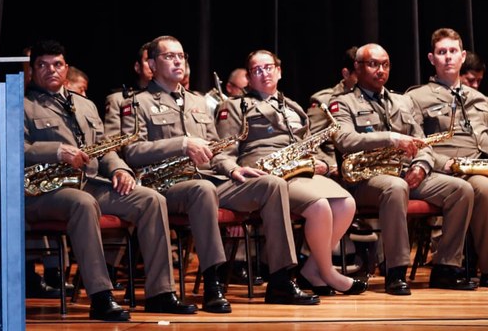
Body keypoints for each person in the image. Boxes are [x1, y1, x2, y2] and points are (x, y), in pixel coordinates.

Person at [120, 36, 318, 308]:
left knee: (271, 184)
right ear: (152, 64)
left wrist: (233, 168)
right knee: (202, 190)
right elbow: (132, 152)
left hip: (208, 179)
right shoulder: (136, 102)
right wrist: (182, 144)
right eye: (169, 56)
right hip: (166, 185)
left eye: (181, 56)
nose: (178, 61)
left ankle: (281, 280)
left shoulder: (197, 102)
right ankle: (213, 282)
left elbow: (216, 150)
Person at [24, 40, 196, 321]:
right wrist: (56, 151)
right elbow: (15, 149)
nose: (51, 70)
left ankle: (160, 293)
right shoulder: (21, 105)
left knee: (151, 199)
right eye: (42, 65)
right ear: (31, 71)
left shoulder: (85, 105)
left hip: (88, 182)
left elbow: (105, 148)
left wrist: (120, 170)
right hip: (44, 190)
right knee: (83, 203)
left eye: (57, 64)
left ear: (66, 68)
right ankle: (101, 296)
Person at [215, 50, 366, 297]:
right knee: (319, 207)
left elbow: (309, 146)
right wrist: (233, 170)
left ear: (279, 71)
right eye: (257, 70)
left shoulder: (294, 107)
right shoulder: (234, 107)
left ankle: (313, 269)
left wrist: (322, 164)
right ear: (249, 78)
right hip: (266, 174)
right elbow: (224, 151)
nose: (264, 73)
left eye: (268, 67)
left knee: (346, 203)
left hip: (299, 169)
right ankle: (328, 273)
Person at [330, 43, 476, 295]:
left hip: (405, 172)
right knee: (396, 188)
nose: (380, 70)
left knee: (461, 190)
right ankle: (395, 271)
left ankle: (446, 267)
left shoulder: (402, 101)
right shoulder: (342, 103)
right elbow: (345, 140)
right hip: (365, 179)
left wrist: (421, 166)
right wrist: (390, 138)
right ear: (357, 67)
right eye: (373, 64)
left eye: (385, 65)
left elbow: (422, 143)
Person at [405, 28, 488, 287]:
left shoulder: (479, 99)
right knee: (483, 190)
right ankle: (448, 266)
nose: (448, 57)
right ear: (432, 59)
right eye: (442, 52)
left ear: (463, 56)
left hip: (477, 165)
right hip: (442, 169)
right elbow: (415, 143)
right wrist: (446, 164)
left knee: (483, 185)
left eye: (453, 51)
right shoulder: (416, 97)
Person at [307, 46, 359, 178]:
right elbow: (310, 141)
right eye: (360, 74)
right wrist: (330, 165)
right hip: (340, 169)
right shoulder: (324, 101)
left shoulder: (376, 98)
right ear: (346, 74)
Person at [103, 42, 153, 137]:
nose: (153, 65)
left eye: (156, 61)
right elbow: (112, 141)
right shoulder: (118, 99)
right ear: (138, 67)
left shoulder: (171, 96)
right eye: (148, 60)